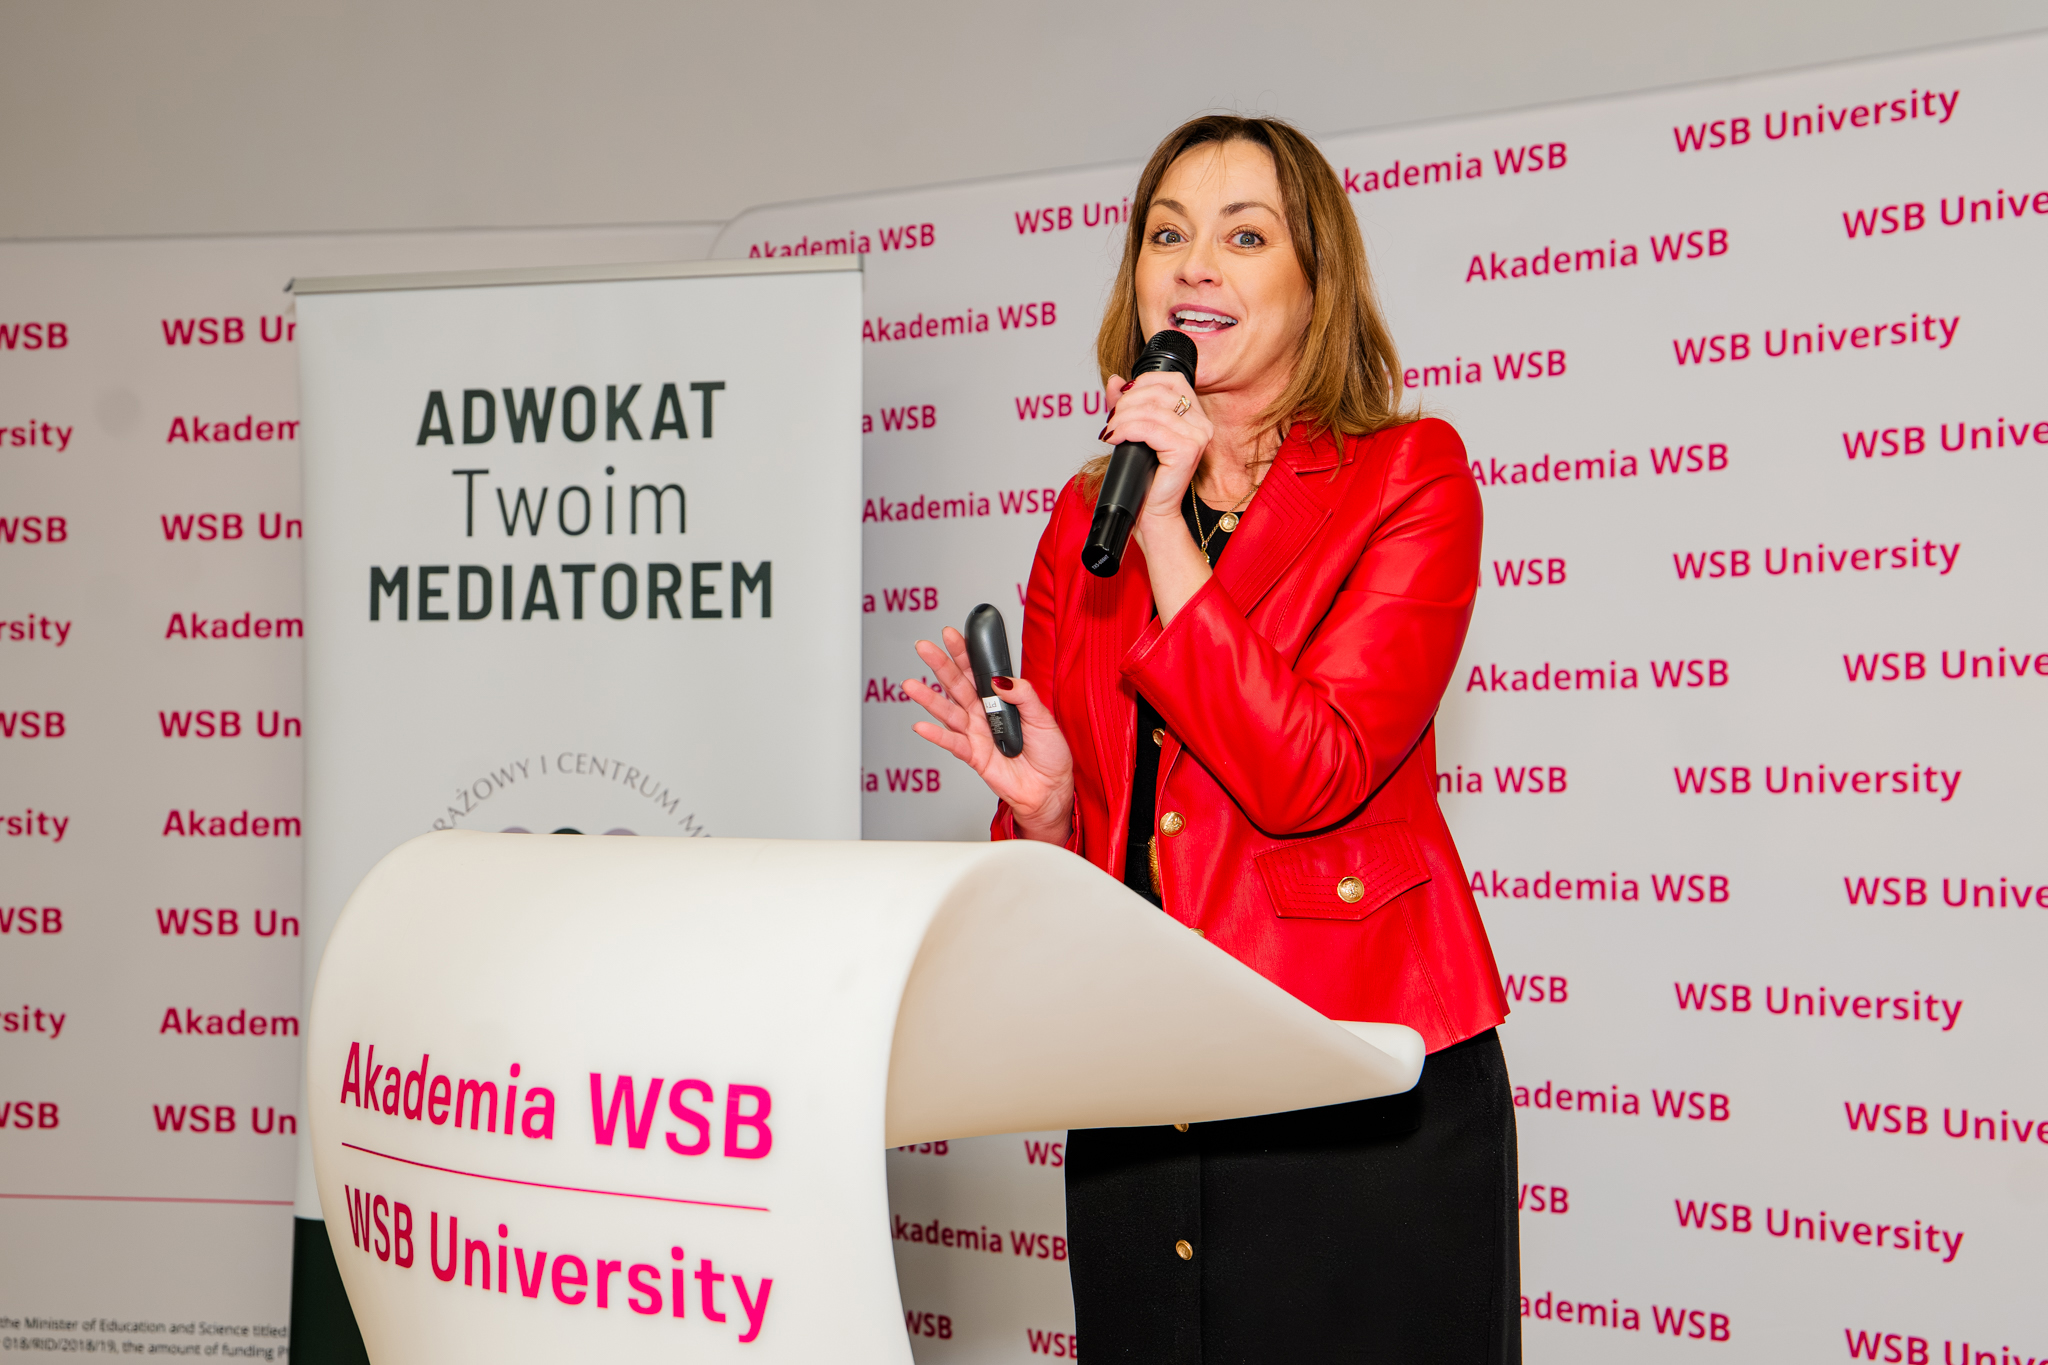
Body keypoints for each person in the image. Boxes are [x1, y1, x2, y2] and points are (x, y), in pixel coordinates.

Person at [904, 114, 1516, 1364]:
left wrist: (1167, 529)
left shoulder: (1409, 477)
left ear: (1314, 282)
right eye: (1166, 234)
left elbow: (1309, 776)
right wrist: (1046, 808)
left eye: (1244, 237)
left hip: (1352, 1080)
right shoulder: (1081, 516)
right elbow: (1094, 862)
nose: (1193, 265)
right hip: (1140, 1082)